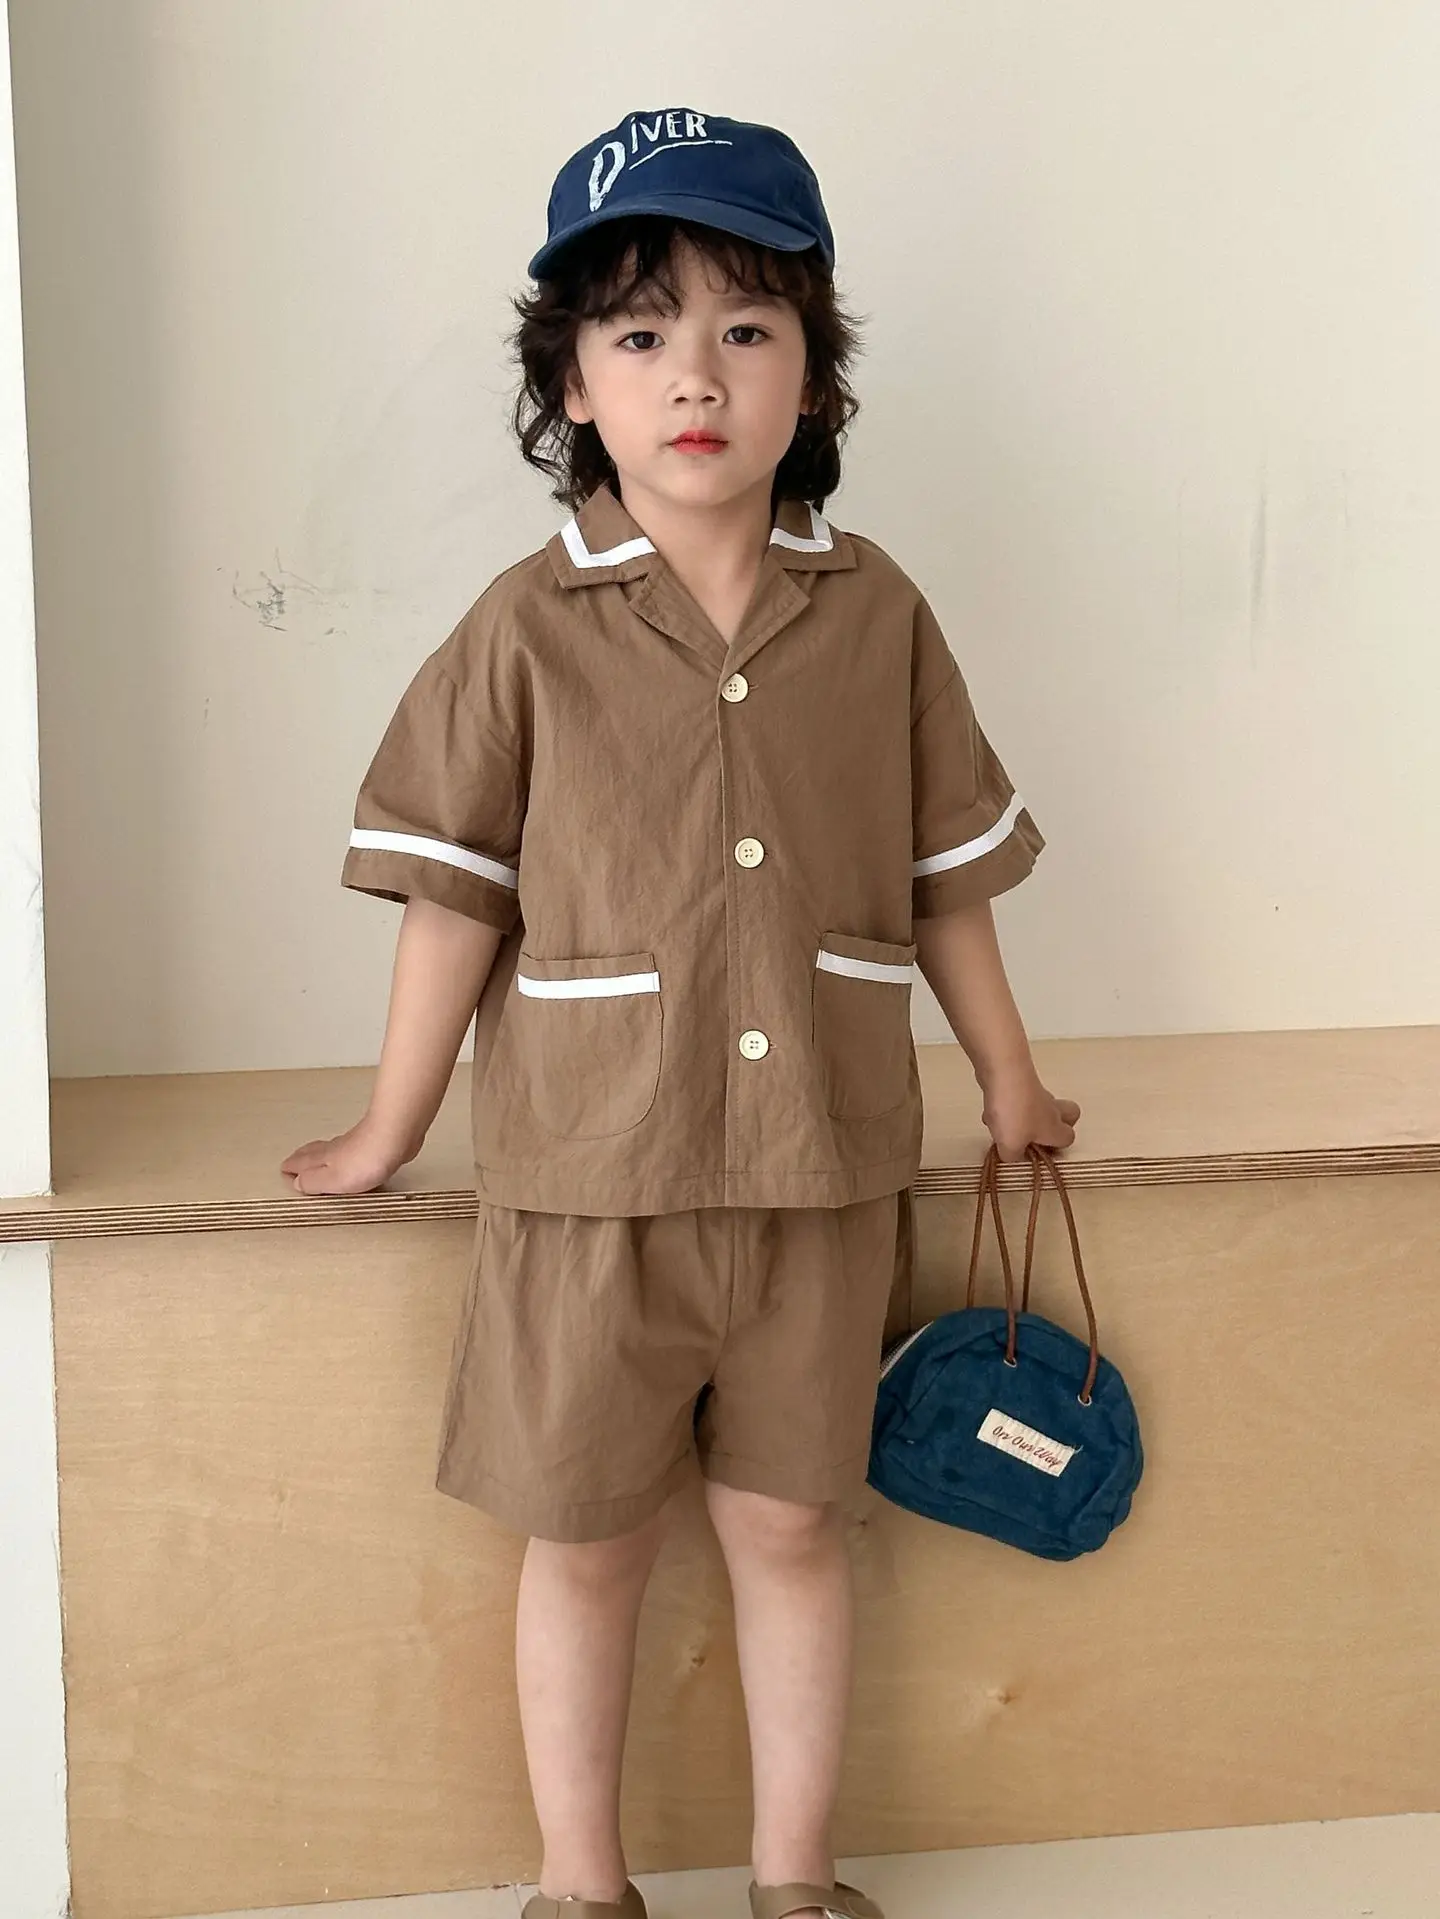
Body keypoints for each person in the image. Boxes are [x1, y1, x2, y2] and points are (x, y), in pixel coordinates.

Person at [283, 107, 1079, 1919]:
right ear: (574, 384)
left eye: (746, 327)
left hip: (820, 1176)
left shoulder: (878, 615)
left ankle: (796, 1881)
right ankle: (584, 1886)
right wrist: (390, 1128)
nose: (695, 373)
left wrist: (1014, 1081)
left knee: (794, 1527)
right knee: (583, 1544)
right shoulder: (524, 629)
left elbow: (944, 878)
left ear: (814, 376)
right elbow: (454, 899)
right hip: (587, 1187)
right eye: (641, 333)